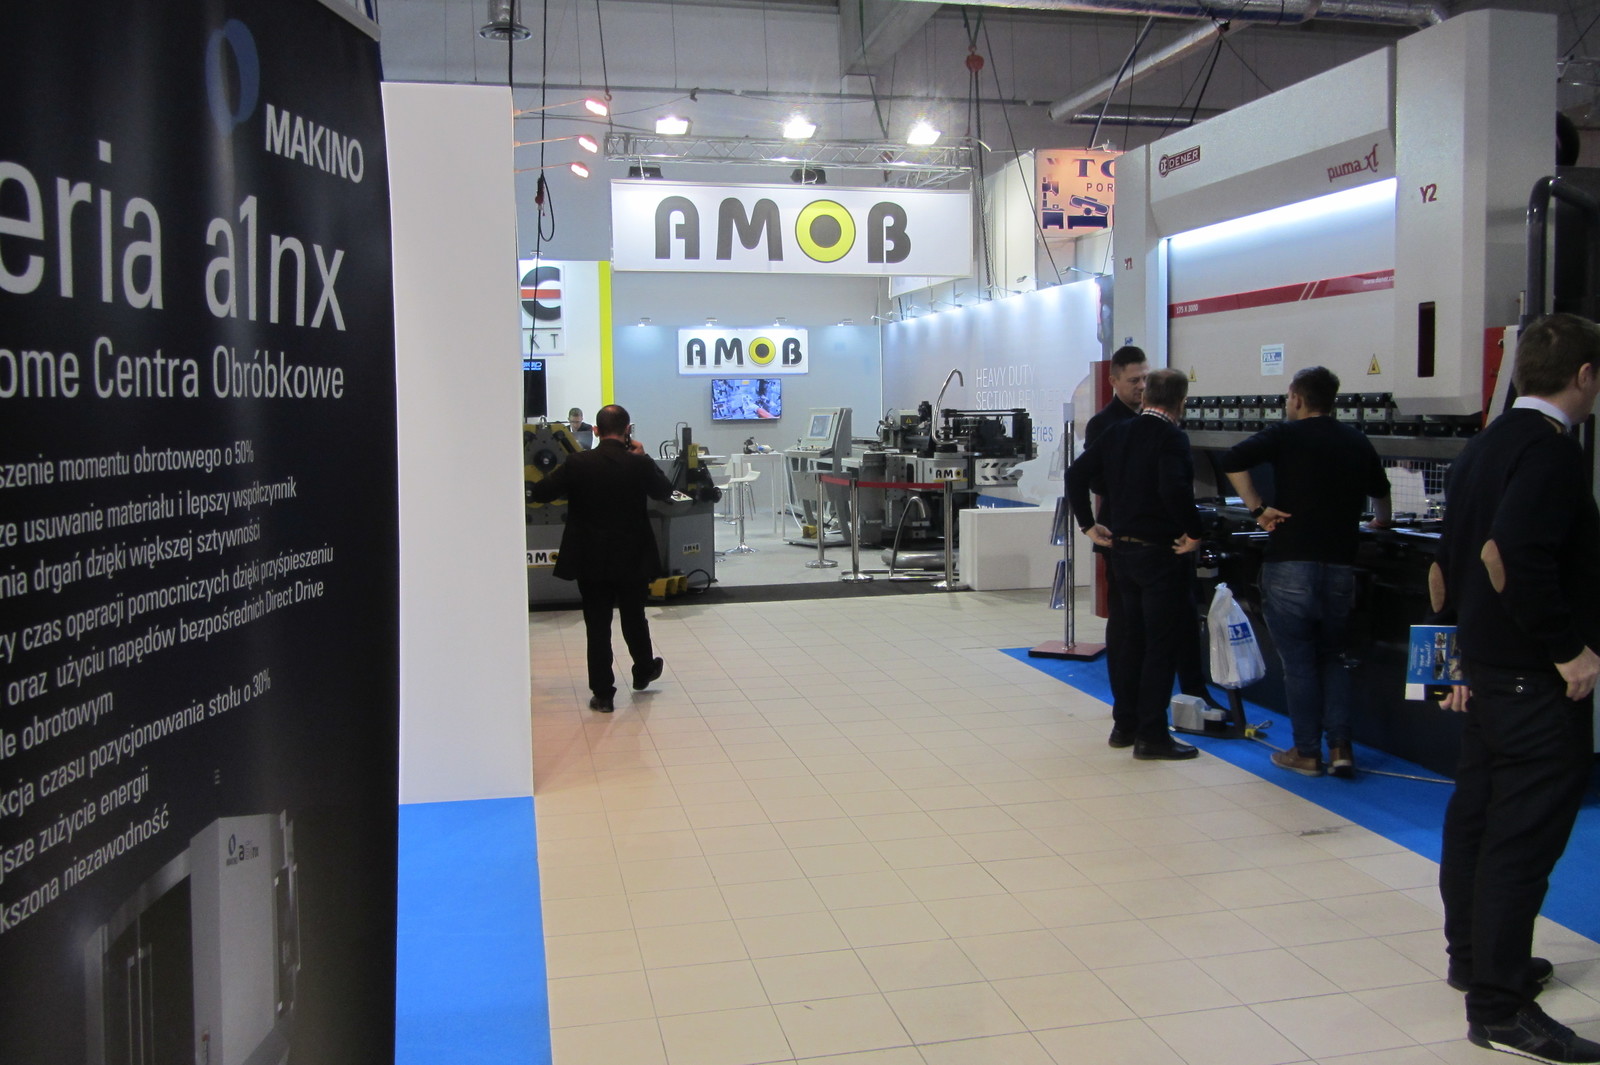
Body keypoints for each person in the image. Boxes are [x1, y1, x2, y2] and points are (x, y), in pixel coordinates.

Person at [1430, 313, 1600, 1064]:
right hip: (1533, 680)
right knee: (1521, 840)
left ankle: (1473, 959)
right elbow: (1512, 553)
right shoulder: (1551, 451)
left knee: (1476, 818)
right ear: (1585, 375)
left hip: (1489, 672)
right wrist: (1569, 650)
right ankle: (1500, 1008)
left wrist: (1448, 659)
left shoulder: (1486, 443)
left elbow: (1446, 563)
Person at [1220, 366, 1392, 778]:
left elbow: (1232, 459)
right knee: (1334, 656)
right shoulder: (1356, 440)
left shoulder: (1286, 434)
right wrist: (1380, 522)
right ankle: (1341, 748)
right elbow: (1381, 493)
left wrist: (1259, 509)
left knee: (1299, 662)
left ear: (1297, 398)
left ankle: (1306, 752)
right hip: (1340, 567)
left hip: (1291, 564)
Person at [1067, 367, 1203, 760]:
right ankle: (1152, 735)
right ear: (1181, 402)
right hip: (1159, 553)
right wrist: (1194, 531)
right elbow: (1174, 487)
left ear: (1145, 396)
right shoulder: (1171, 437)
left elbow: (1076, 474)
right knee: (1160, 645)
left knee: (1128, 641)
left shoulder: (1118, 432)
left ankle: (1123, 724)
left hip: (1122, 553)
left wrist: (1088, 525)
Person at [1085, 346, 1222, 718]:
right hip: (1124, 536)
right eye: (1134, 380)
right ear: (1113, 381)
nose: (1141, 386)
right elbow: (1093, 479)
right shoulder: (1106, 425)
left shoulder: (1165, 426)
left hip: (1163, 538)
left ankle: (1192, 692)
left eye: (1145, 379)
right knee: (1130, 629)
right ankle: (1131, 712)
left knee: (1178, 620)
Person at [527, 404, 673, 712]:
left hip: (590, 557)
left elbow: (540, 492)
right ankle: (643, 669)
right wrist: (644, 456)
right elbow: (664, 491)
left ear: (595, 430)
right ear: (628, 431)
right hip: (632, 556)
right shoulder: (639, 463)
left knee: (597, 624)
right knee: (634, 616)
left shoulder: (577, 463)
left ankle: (603, 694)